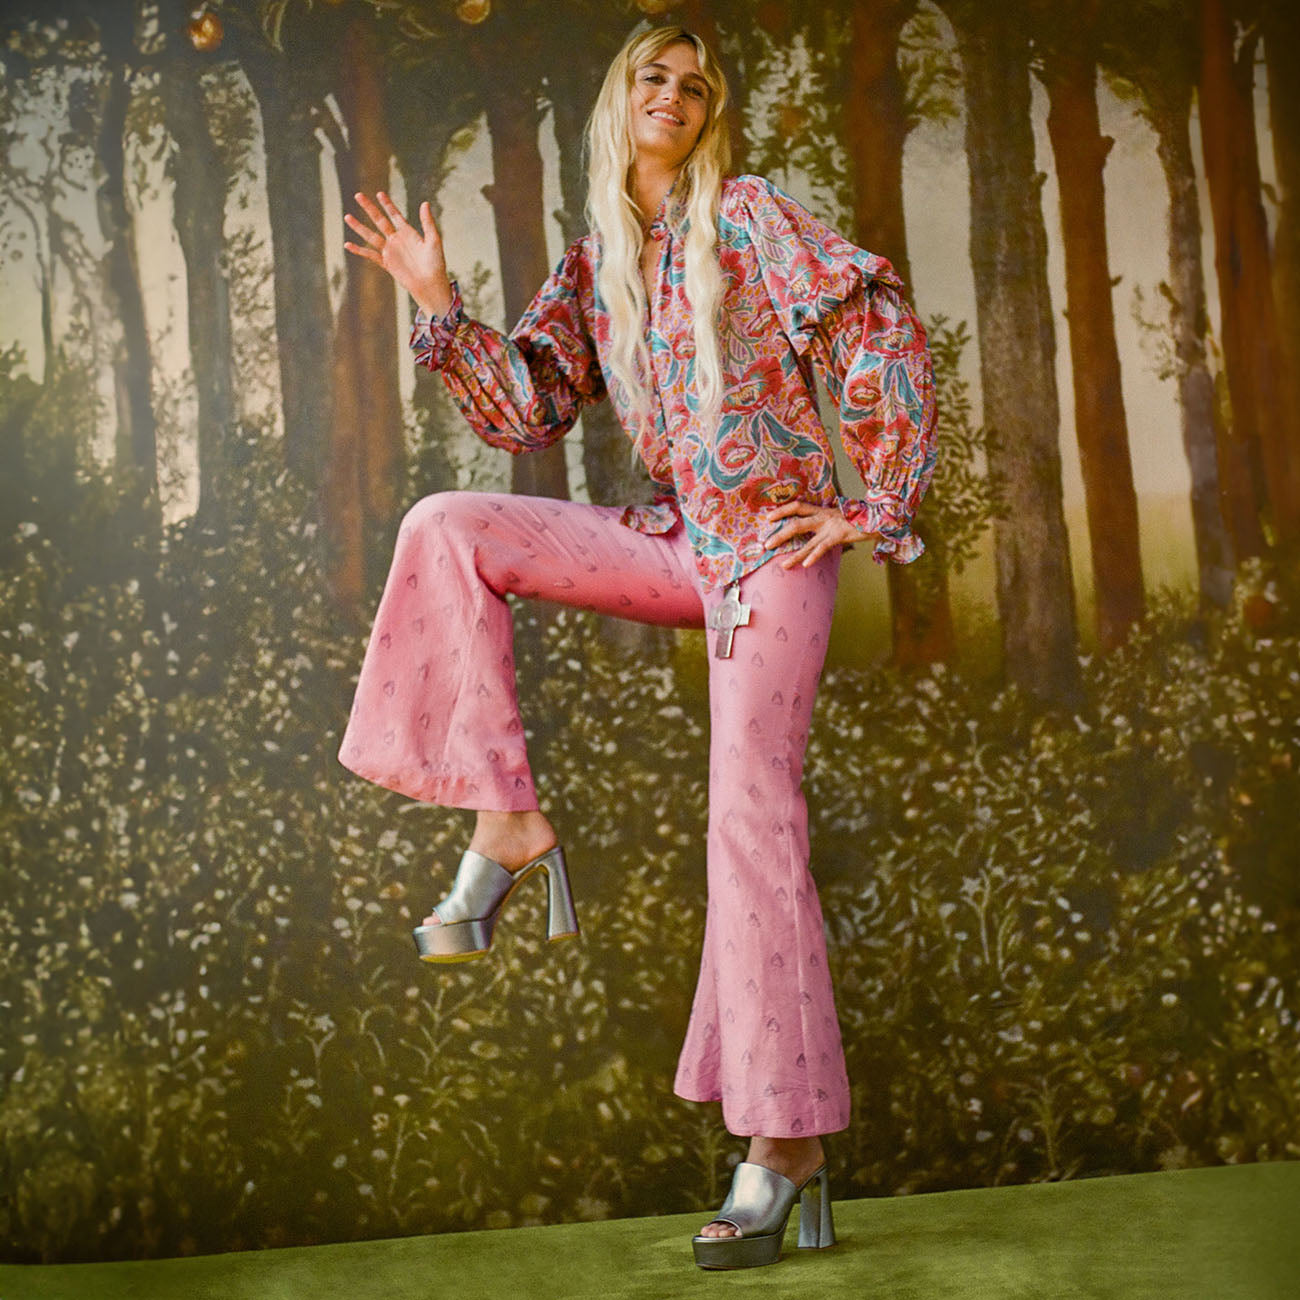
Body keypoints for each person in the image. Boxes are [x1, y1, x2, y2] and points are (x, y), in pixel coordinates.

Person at [336, 23, 937, 1271]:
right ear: (620, 97)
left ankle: (784, 1155)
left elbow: (870, 321)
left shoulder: (752, 216)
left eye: (695, 83)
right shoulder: (595, 262)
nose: (673, 95)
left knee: (748, 819)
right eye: (652, 76)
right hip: (674, 540)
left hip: (772, 555)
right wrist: (436, 299)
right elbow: (529, 409)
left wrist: (870, 503)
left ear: (712, 112)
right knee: (447, 523)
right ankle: (505, 820)